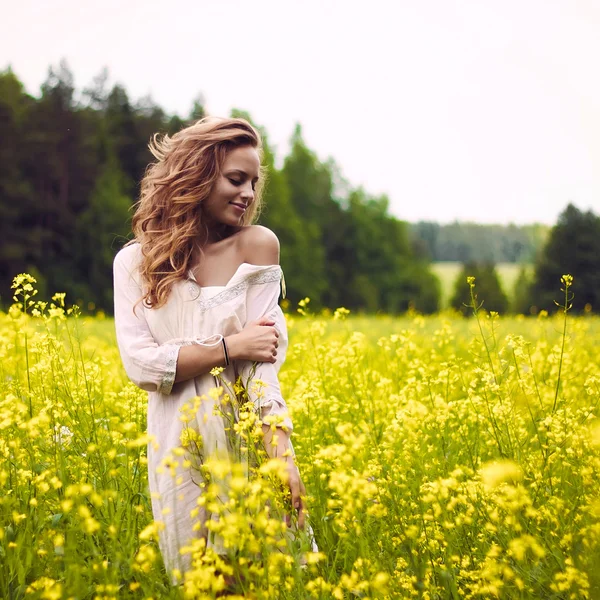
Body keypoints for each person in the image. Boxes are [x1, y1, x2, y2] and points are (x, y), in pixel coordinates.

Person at [112, 116, 308, 578]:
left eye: (254, 183)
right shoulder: (134, 264)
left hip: (246, 439)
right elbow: (141, 366)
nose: (248, 194)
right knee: (201, 581)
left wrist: (282, 457)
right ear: (198, 175)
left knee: (267, 578)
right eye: (235, 179)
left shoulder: (257, 246)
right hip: (178, 447)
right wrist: (231, 345)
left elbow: (263, 365)